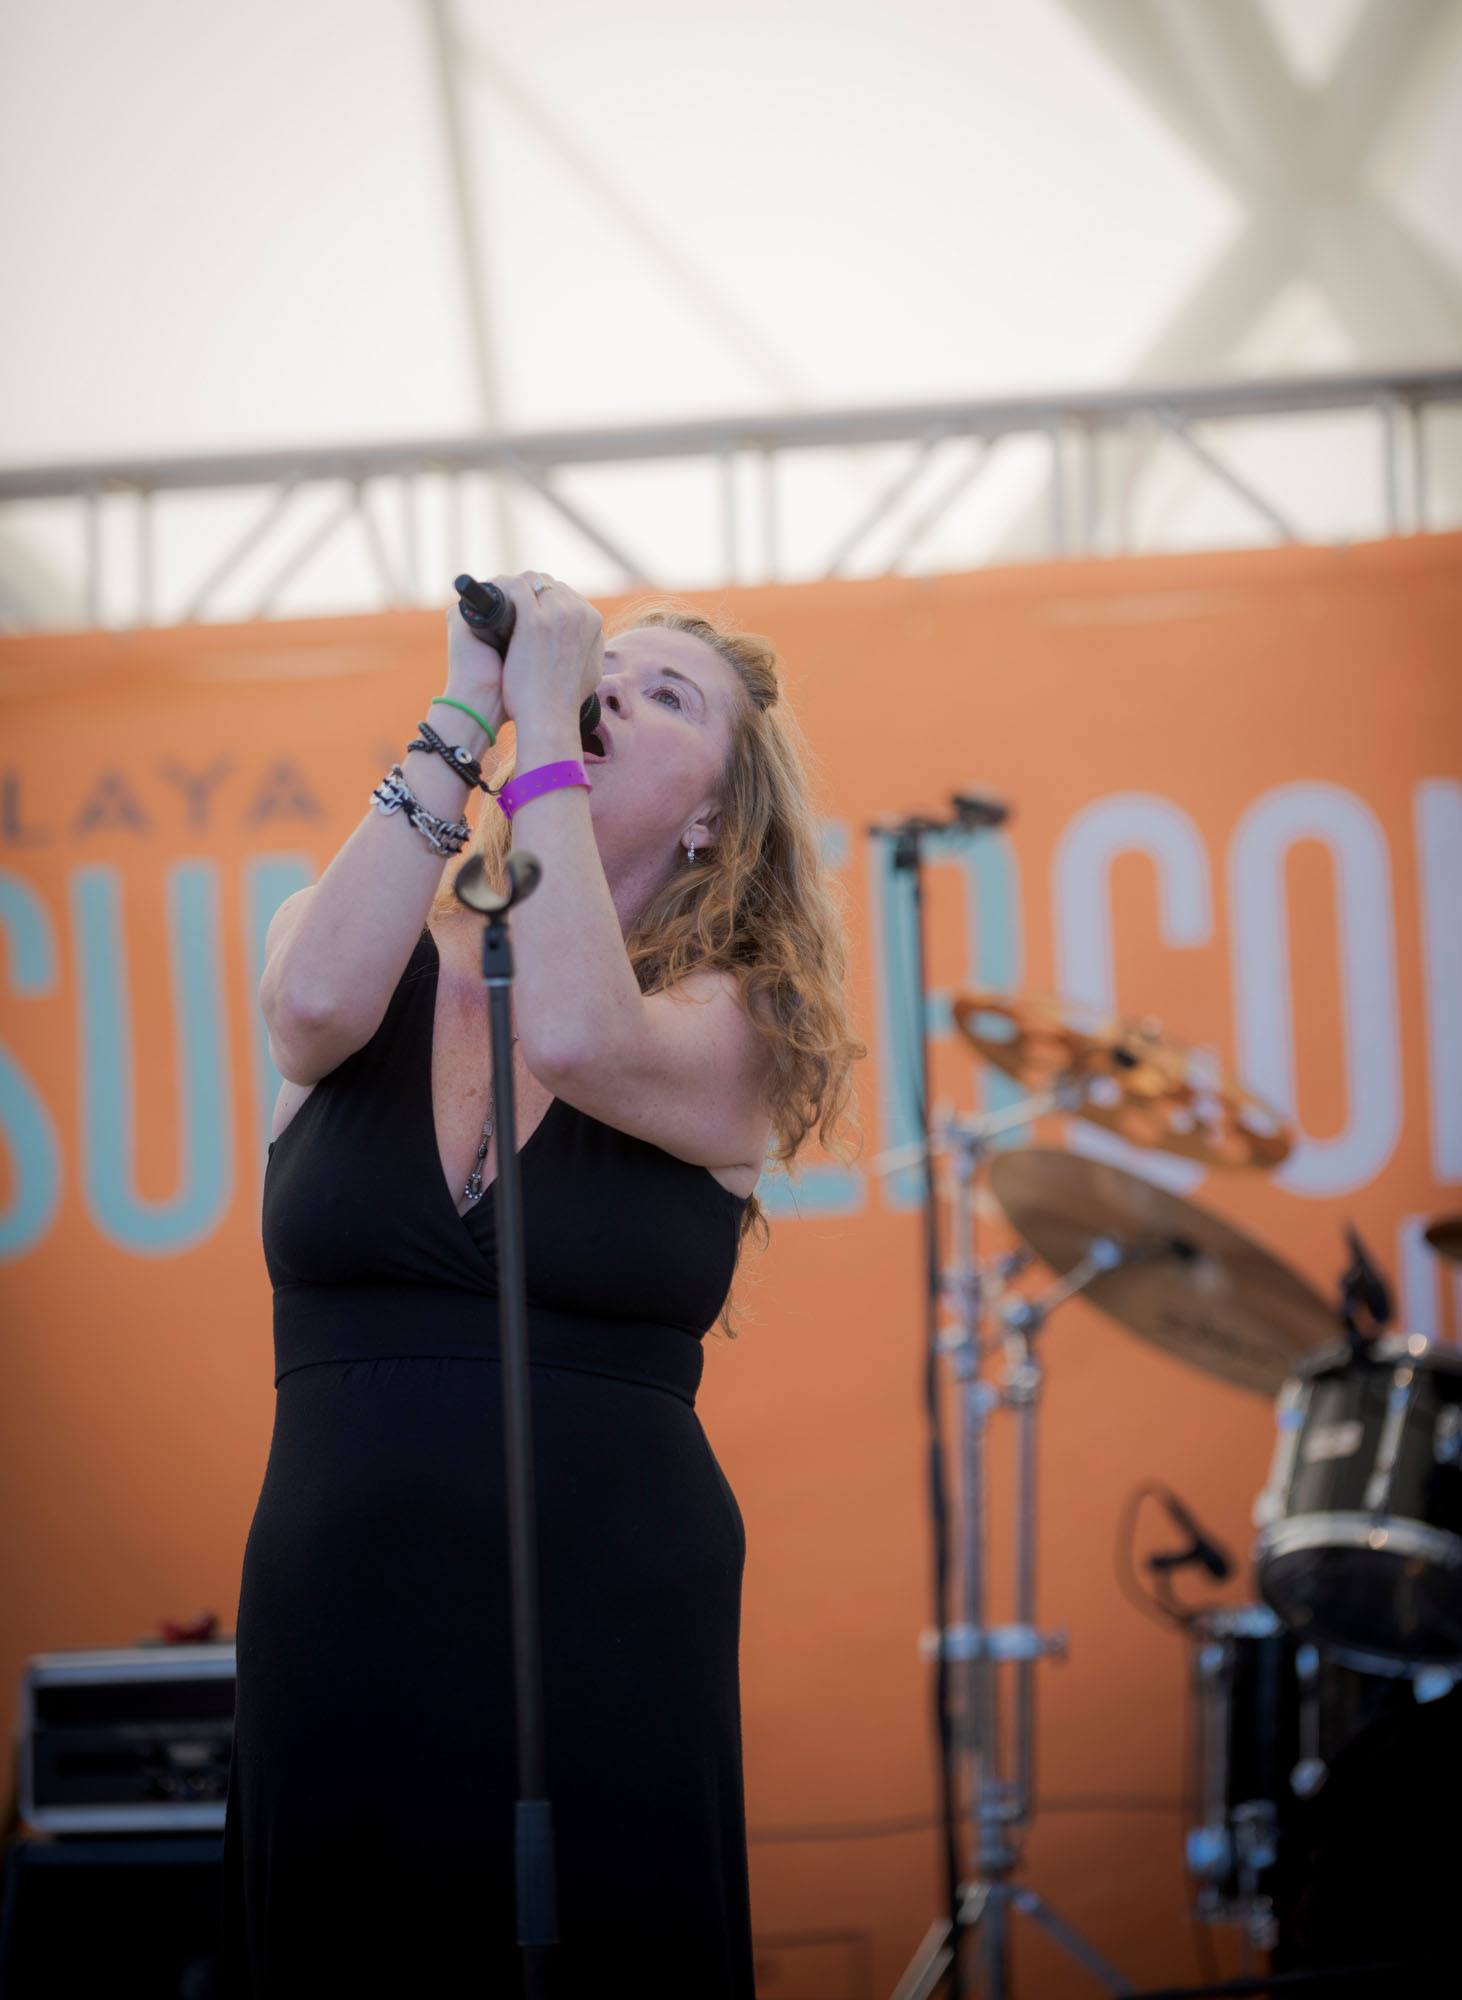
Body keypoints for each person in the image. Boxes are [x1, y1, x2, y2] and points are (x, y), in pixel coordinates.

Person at [219, 572, 866, 1995]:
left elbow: (578, 1035)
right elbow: (307, 1011)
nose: (610, 688)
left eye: (665, 694)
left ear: (715, 815)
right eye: (599, 670)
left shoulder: (742, 1017)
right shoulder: (359, 935)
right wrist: (470, 701)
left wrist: (554, 749)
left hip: (607, 1607)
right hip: (340, 1591)